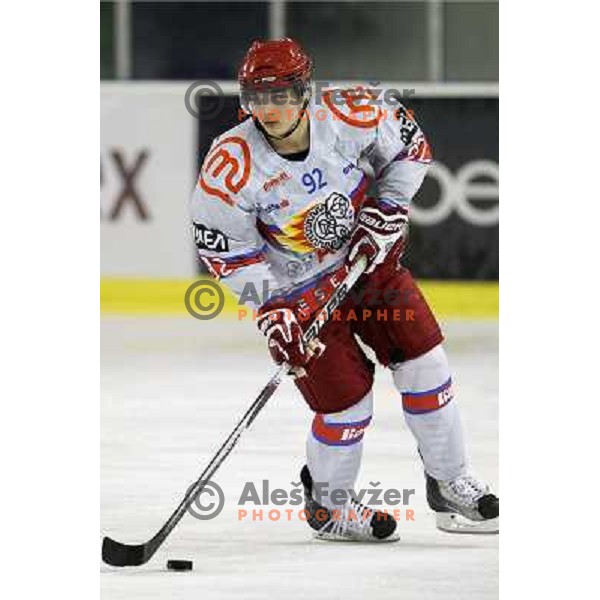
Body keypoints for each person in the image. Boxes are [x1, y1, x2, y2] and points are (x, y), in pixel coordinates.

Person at [190, 38, 499, 541]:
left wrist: (391, 204)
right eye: (256, 97)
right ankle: (330, 507)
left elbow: (412, 149)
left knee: (427, 365)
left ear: (304, 91)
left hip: (369, 267)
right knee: (347, 403)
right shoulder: (232, 164)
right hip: (300, 296)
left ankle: (448, 482)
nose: (268, 109)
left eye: (282, 95)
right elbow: (226, 254)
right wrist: (273, 311)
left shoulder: (355, 112)